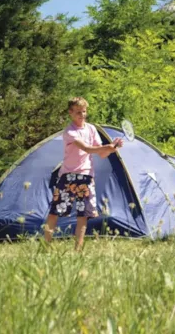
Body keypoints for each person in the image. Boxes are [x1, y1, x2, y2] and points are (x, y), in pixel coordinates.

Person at [44, 97, 123, 250]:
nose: (82, 115)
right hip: (68, 176)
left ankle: (78, 249)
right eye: (78, 112)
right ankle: (45, 246)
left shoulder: (91, 129)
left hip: (86, 176)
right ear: (71, 113)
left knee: (83, 214)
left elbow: (101, 154)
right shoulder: (69, 132)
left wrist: (112, 148)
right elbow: (87, 149)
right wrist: (108, 146)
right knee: (55, 212)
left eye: (84, 112)